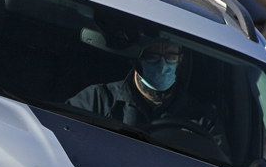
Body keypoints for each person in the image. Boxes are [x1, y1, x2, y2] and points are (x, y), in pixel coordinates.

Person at [66, 39, 231, 159]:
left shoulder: (203, 120)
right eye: (153, 56)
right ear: (135, 60)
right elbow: (64, 137)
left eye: (170, 57)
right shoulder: (98, 99)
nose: (162, 64)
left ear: (180, 60)